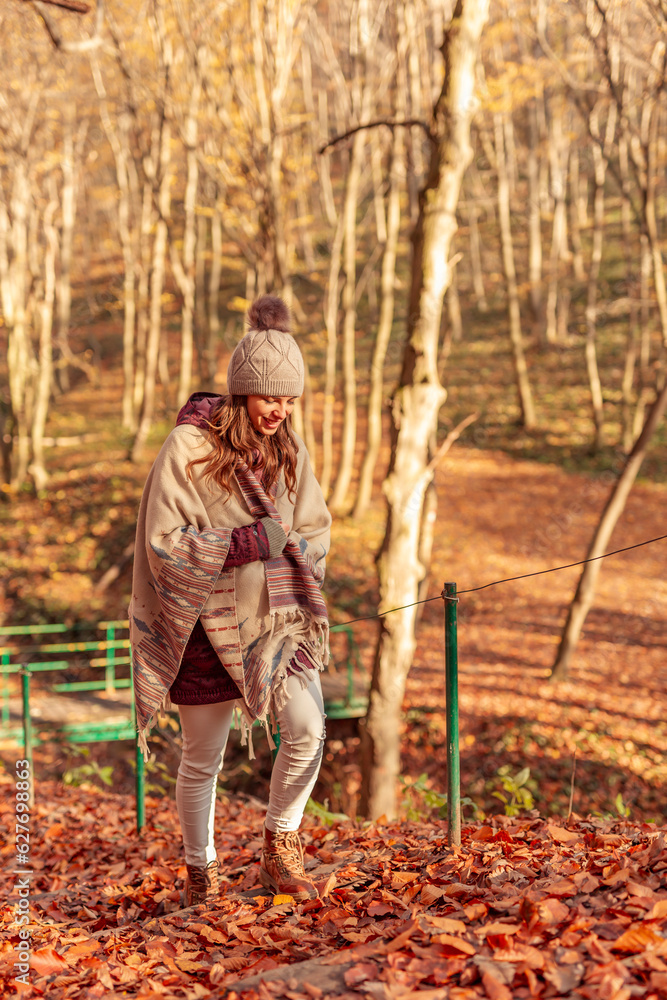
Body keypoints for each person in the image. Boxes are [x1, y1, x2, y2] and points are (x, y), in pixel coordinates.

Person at [129, 294, 331, 906]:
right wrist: (247, 541)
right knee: (203, 759)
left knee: (308, 728)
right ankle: (202, 874)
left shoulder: (289, 451)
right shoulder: (187, 450)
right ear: (243, 392)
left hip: (275, 621)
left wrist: (298, 559)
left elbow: (315, 525)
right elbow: (163, 544)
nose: (281, 411)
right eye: (272, 398)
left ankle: (281, 845)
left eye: (290, 400)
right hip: (203, 624)